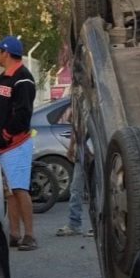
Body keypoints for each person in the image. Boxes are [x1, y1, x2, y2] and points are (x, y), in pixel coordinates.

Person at [0, 35, 38, 251]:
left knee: (19, 189)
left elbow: (23, 113)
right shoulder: (2, 78)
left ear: (6, 53)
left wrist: (6, 134)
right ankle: (14, 233)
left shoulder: (23, 79)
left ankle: (30, 235)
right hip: (0, 146)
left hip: (15, 145)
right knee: (9, 192)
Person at [57, 98, 91, 236]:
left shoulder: (95, 102)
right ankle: (74, 224)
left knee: (96, 190)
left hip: (94, 152)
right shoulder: (78, 102)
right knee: (76, 189)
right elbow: (76, 128)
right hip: (82, 152)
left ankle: (97, 226)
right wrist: (71, 147)